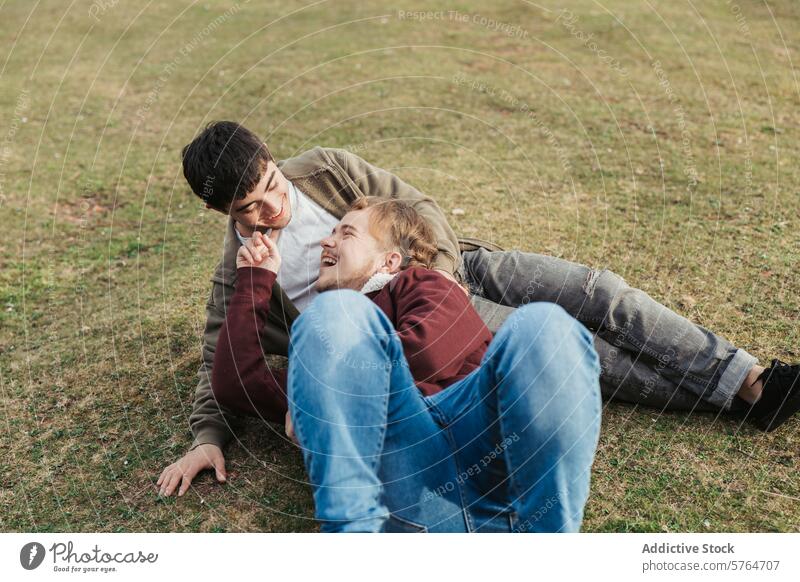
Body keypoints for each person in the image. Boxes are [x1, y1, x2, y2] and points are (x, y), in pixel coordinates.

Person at [157, 120, 800, 498]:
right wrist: (206, 439)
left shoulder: (323, 169)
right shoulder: (243, 271)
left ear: (273, 163)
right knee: (584, 353)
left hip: (456, 267)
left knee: (598, 289)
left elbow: (419, 207)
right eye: (249, 209)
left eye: (270, 186)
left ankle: (747, 376)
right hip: (416, 328)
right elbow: (225, 358)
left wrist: (440, 278)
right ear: (223, 213)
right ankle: (739, 400)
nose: (271, 209)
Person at [204, 197, 602, 532]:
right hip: (405, 486)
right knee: (332, 314)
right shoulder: (326, 339)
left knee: (544, 328)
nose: (326, 242)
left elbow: (430, 352)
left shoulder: (423, 284)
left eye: (345, 232)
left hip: (491, 449)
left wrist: (330, 400)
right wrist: (256, 279)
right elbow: (235, 382)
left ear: (390, 260)